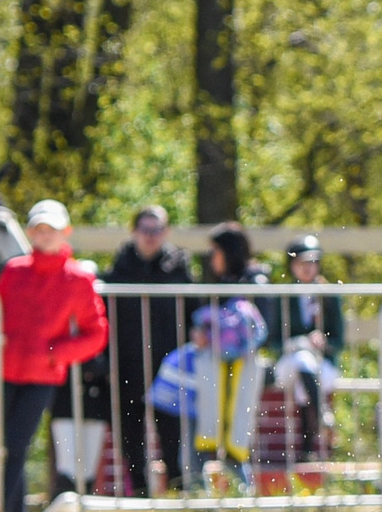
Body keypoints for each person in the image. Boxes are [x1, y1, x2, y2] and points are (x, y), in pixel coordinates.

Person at [0, 200, 108, 512]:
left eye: (50, 230)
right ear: (31, 232)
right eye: (38, 229)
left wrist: (57, 354)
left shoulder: (78, 279)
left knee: (15, 446)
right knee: (8, 448)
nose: (44, 236)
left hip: (43, 375)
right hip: (8, 369)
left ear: (65, 233)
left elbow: (96, 332)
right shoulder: (14, 270)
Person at [103, 204, 192, 495]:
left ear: (166, 232)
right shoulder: (118, 272)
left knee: (172, 431)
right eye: (145, 230)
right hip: (127, 360)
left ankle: (178, 490)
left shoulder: (180, 270)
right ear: (134, 232)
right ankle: (139, 491)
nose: (151, 236)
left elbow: (194, 314)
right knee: (131, 432)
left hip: (169, 364)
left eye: (157, 230)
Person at [196, 224, 273, 482]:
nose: (211, 257)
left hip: (245, 362)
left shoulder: (256, 281)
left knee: (240, 414)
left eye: (215, 251)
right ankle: (204, 467)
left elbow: (265, 327)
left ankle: (237, 467)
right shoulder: (219, 283)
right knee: (211, 411)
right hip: (215, 363)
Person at [269, 235, 347, 459]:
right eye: (302, 263)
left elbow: (338, 341)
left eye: (313, 262)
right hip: (289, 363)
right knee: (302, 361)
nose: (308, 268)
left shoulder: (329, 295)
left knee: (307, 373)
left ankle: (306, 449)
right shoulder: (282, 297)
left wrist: (324, 343)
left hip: (322, 364)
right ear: (292, 266)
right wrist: (300, 342)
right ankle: (321, 417)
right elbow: (273, 341)